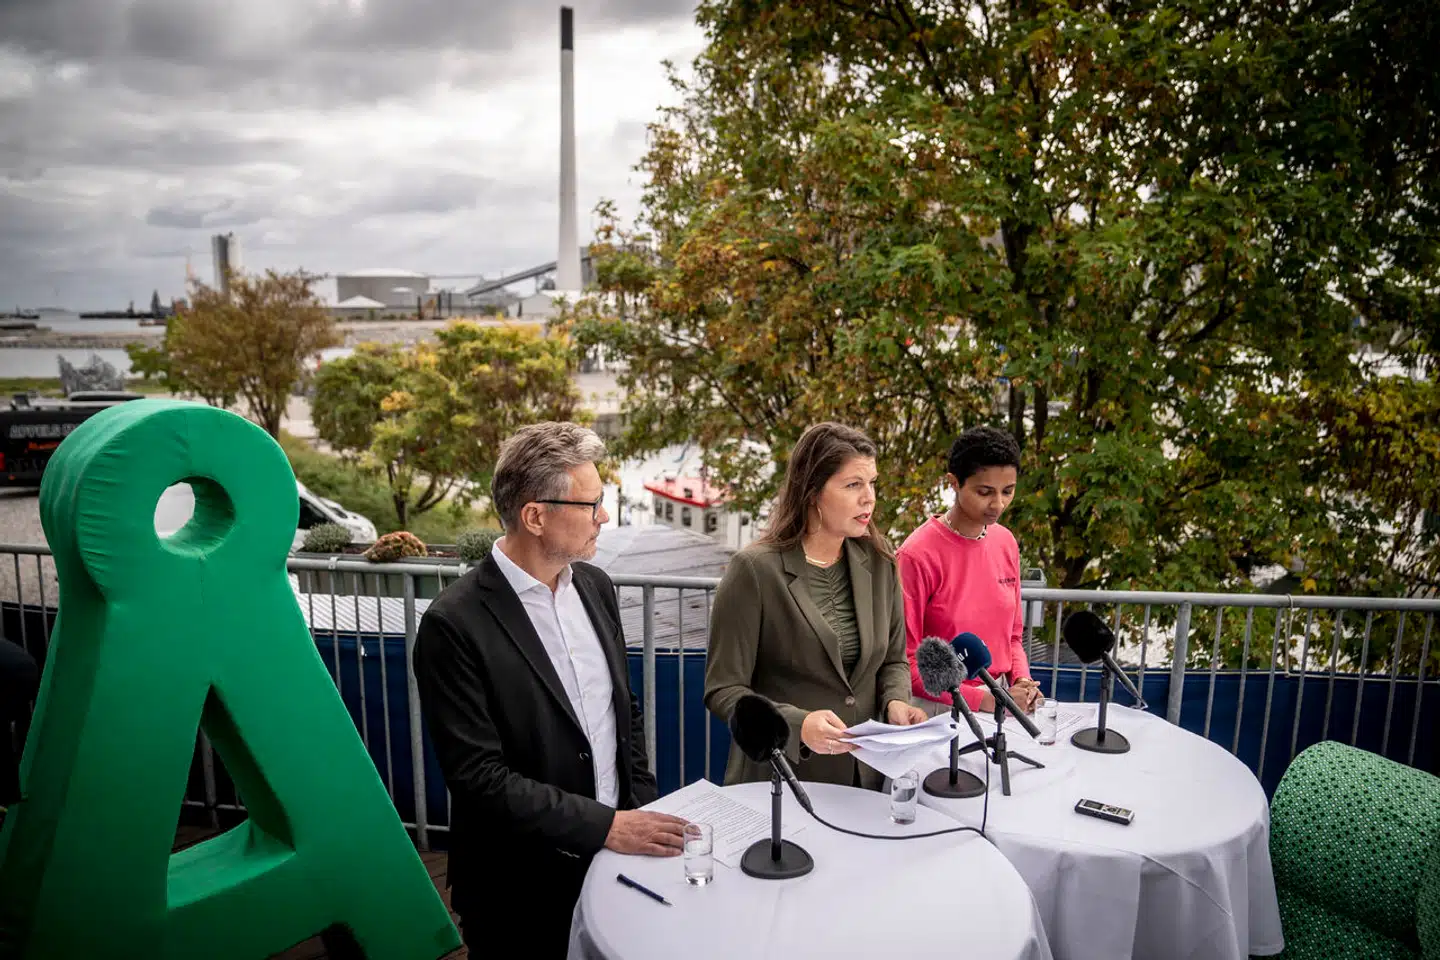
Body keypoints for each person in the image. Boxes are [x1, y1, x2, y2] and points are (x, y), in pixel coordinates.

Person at [413, 422, 685, 957]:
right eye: (592, 504)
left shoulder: (596, 586)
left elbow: (621, 711)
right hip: (519, 886)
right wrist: (606, 826)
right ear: (535, 516)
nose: (604, 517)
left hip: (616, 856)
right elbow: (479, 779)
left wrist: (639, 807)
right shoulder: (454, 623)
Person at [705, 422, 927, 790]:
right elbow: (723, 690)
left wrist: (895, 702)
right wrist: (797, 725)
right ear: (812, 492)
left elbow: (893, 659)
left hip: (864, 777)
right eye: (853, 485)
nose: (869, 497)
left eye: (872, 483)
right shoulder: (755, 570)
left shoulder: (881, 562)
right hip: (780, 780)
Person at [898, 425, 1044, 717]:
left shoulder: (1005, 542)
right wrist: (984, 700)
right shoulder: (916, 555)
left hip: (1003, 701)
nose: (998, 504)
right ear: (954, 483)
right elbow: (905, 664)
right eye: (984, 492)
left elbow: (1013, 637)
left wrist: (1023, 680)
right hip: (939, 708)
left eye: (1008, 491)